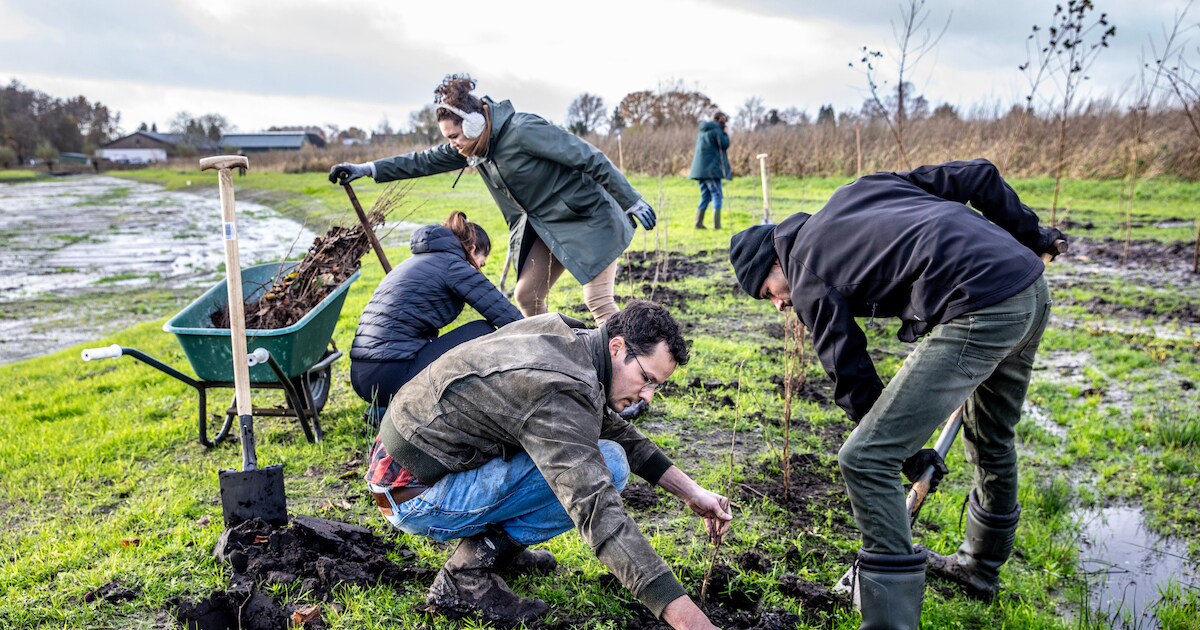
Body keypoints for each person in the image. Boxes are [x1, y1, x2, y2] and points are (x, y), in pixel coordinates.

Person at [727, 159, 1065, 630]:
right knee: (990, 436)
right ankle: (980, 570)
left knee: (864, 458)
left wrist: (904, 456)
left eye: (768, 293)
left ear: (775, 264)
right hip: (1029, 288)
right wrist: (1033, 236)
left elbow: (852, 377)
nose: (781, 305)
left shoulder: (806, 274)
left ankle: (888, 622)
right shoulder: (861, 190)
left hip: (981, 306)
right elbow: (978, 176)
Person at [364, 300, 732, 628]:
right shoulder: (560, 387)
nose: (647, 396)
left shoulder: (570, 337)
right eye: (646, 379)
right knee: (609, 466)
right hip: (414, 494)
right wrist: (687, 619)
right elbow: (595, 509)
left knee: (605, 452)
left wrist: (691, 492)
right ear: (617, 347)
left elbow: (603, 423)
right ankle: (466, 575)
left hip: (410, 460)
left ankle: (495, 550)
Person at [330, 73, 656, 326]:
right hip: (548, 226)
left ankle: (627, 379)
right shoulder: (475, 147)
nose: (453, 144)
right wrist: (366, 169)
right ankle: (557, 361)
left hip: (589, 217)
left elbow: (590, 157)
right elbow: (422, 160)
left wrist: (631, 200)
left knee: (597, 298)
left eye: (454, 135)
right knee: (527, 296)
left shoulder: (523, 130)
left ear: (473, 123)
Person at [350, 211, 522, 409]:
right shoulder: (453, 265)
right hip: (389, 372)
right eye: (481, 263)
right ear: (473, 249)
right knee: (483, 332)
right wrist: (548, 335)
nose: (479, 269)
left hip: (363, 375)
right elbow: (508, 316)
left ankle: (389, 410)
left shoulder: (417, 262)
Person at [688, 110, 731, 230]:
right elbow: (724, 144)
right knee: (717, 195)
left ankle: (698, 223)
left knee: (705, 196)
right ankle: (717, 226)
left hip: (700, 170)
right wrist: (725, 133)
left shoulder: (703, 129)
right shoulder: (717, 130)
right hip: (711, 170)